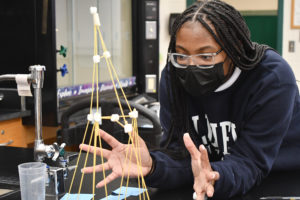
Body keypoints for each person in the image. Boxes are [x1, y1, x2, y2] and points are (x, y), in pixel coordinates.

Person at [80, 0, 300, 199]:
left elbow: (251, 163)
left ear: (235, 49)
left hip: (282, 179)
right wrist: (153, 166)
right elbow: (182, 156)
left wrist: (214, 174)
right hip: (212, 179)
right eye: (182, 55)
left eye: (205, 56)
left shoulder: (272, 78)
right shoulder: (173, 77)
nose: (191, 65)